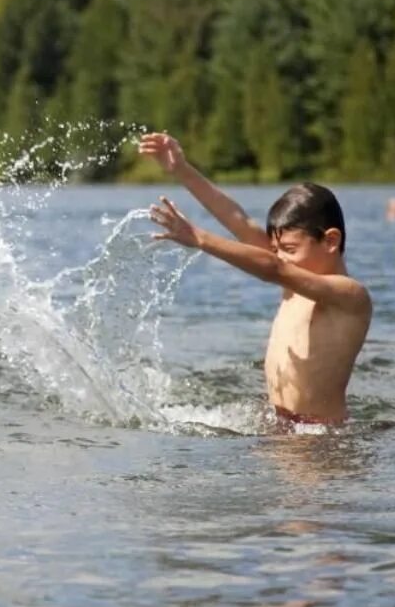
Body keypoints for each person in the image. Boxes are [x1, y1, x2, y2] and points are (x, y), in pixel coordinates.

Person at [138, 132, 373, 428]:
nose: (281, 256)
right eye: (277, 249)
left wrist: (199, 238)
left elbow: (273, 267)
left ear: (330, 241)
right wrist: (181, 169)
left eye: (289, 249)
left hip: (320, 439)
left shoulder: (349, 296)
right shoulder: (293, 281)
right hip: (279, 428)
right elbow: (238, 219)